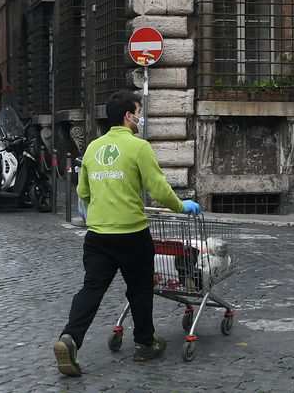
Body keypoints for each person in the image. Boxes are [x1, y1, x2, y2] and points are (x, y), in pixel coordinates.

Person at [54, 89, 202, 376]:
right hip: (132, 234)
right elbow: (159, 189)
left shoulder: (93, 148)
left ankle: (70, 338)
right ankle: (145, 343)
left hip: (98, 236)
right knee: (140, 289)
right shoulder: (139, 147)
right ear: (128, 115)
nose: (141, 116)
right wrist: (181, 206)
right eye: (139, 110)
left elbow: (83, 190)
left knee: (91, 289)